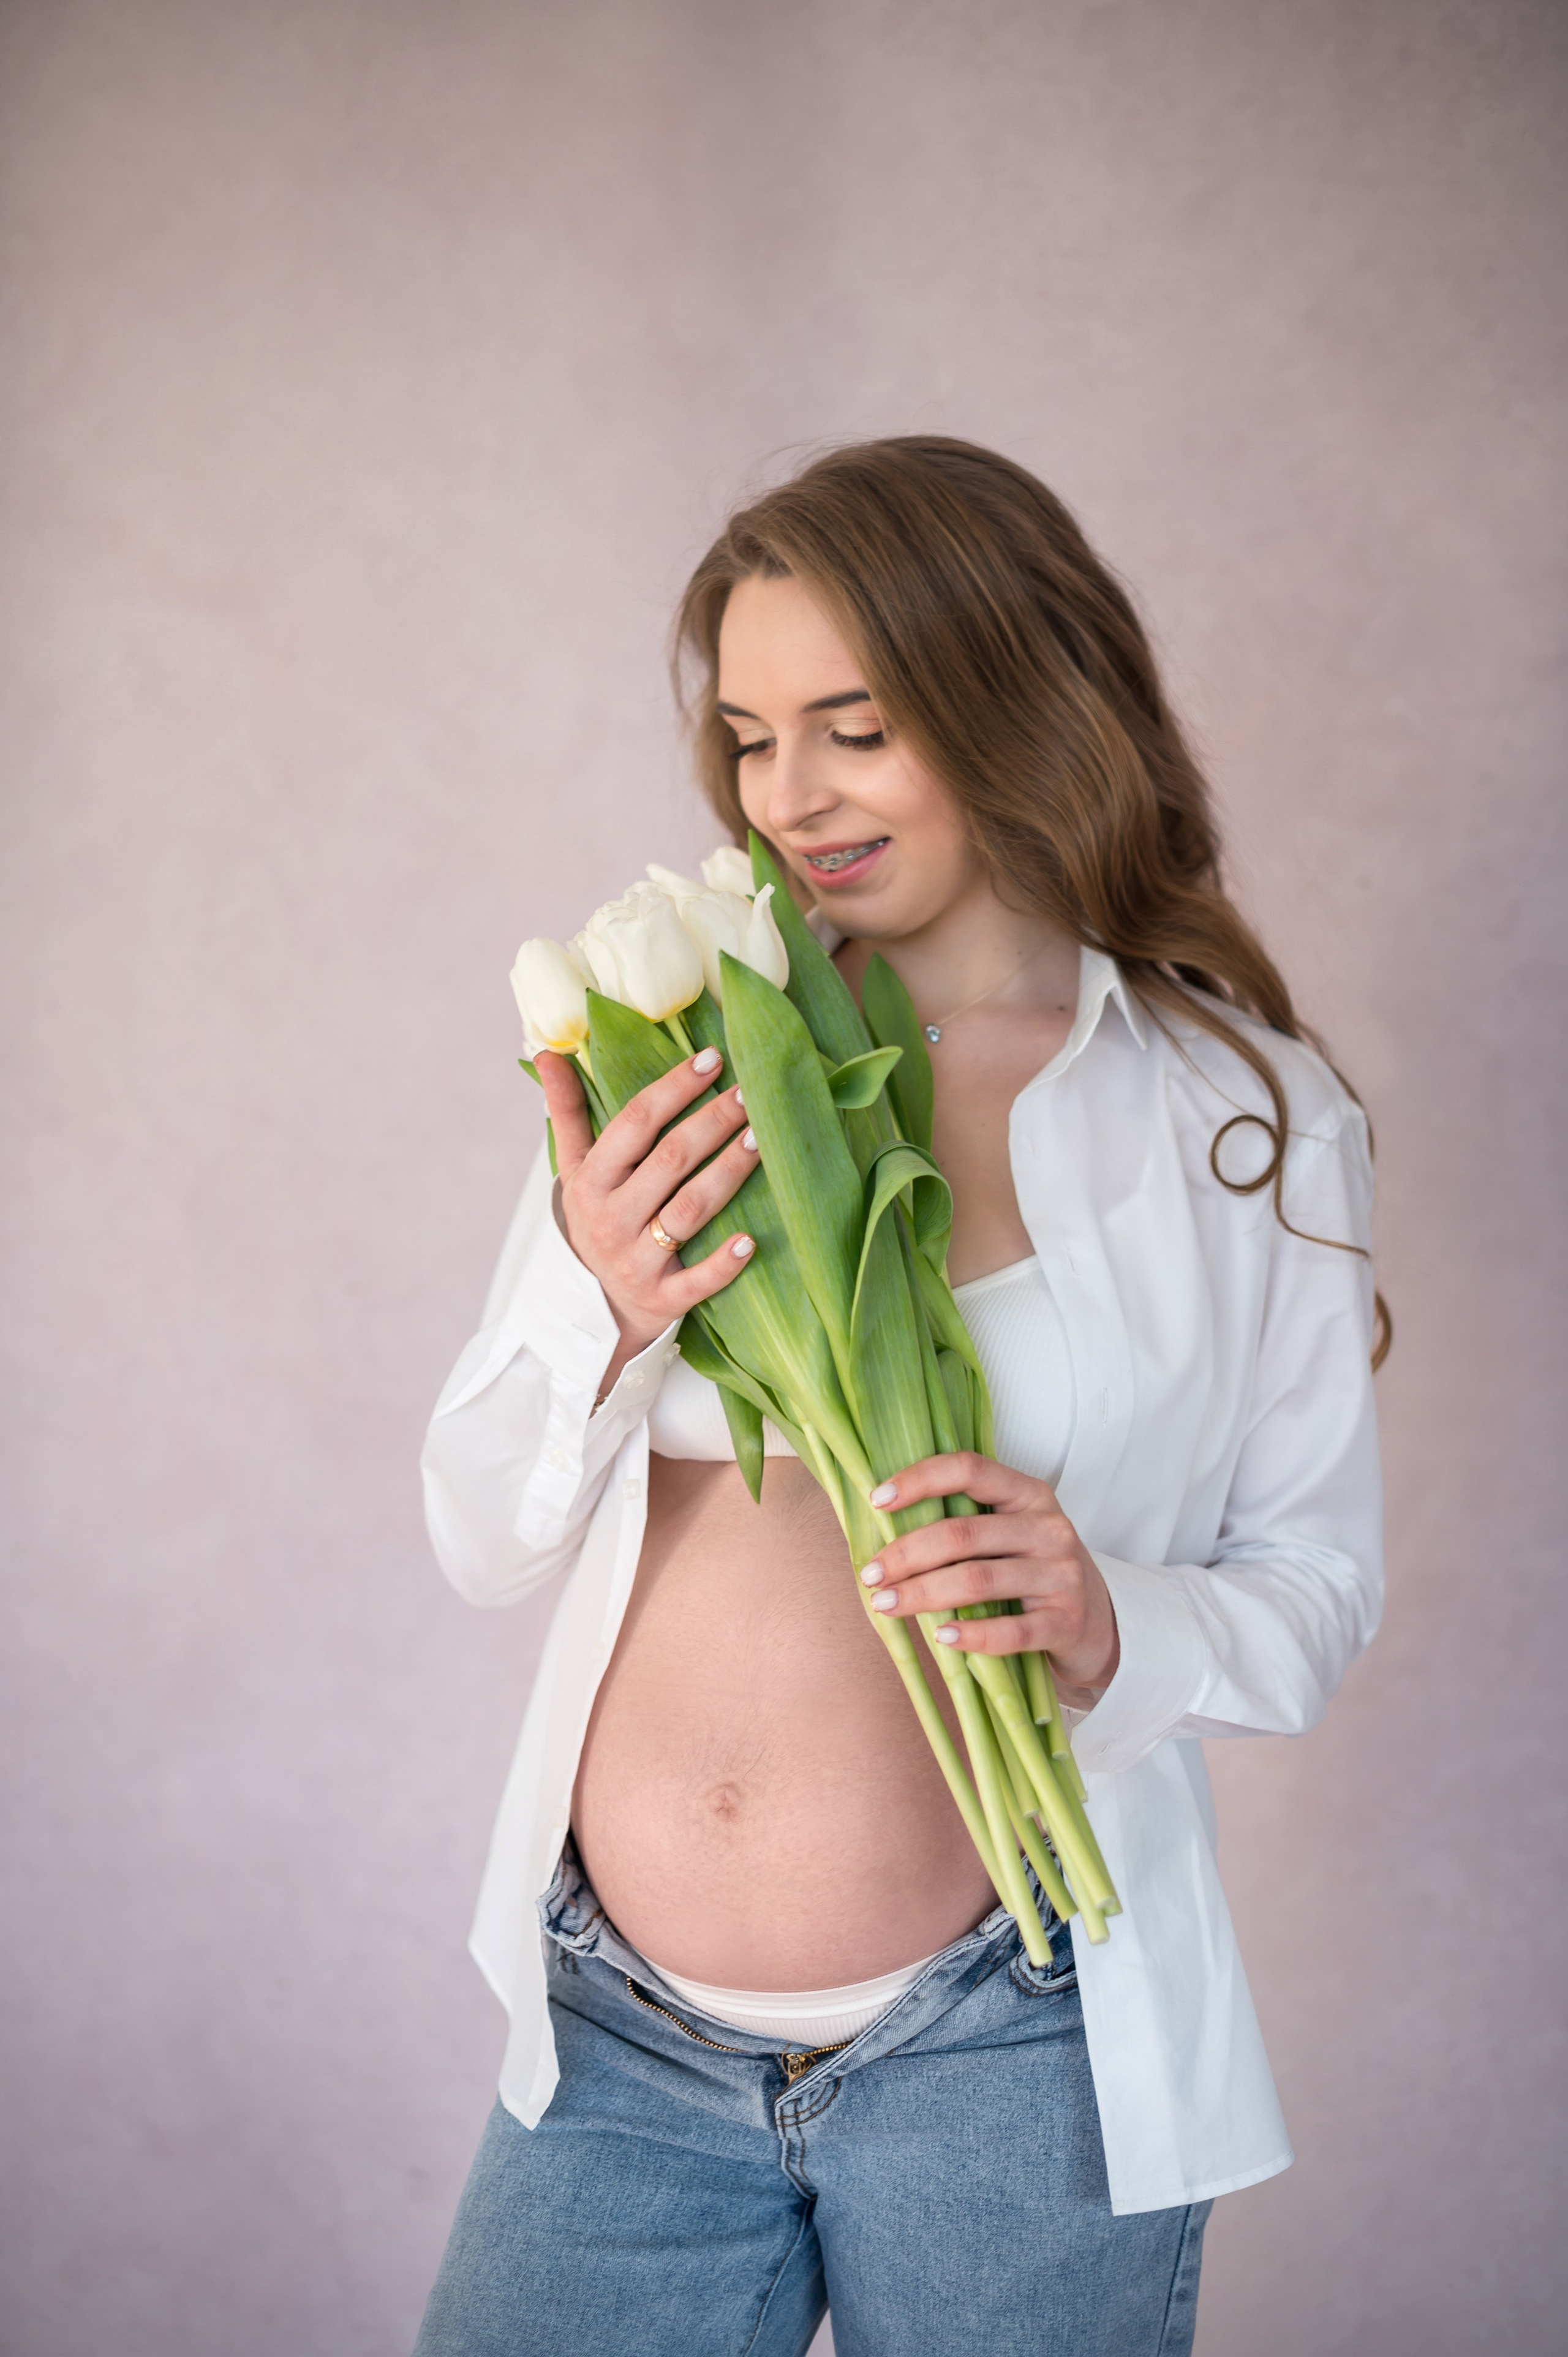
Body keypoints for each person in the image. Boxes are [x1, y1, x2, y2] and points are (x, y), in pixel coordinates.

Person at [413, 437, 1385, 2357]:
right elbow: (474, 1532)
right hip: (622, 2042)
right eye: (754, 738)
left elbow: (1313, 1596)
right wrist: (600, 1313)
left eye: (854, 726)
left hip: (1018, 2043)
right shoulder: (680, 1059)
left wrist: (1116, 1617)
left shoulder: (1243, 1123)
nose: (790, 797)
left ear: (1014, 692)